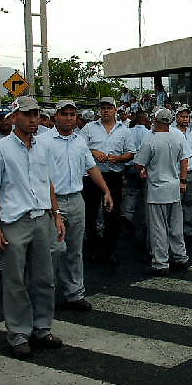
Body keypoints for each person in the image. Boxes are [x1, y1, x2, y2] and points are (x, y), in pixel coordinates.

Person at [0, 96, 66, 359]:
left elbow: (48, 182)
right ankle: (18, 334)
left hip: (42, 218)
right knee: (15, 280)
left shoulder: (43, 148)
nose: (33, 120)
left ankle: (42, 328)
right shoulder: (1, 149)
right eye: (27, 115)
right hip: (15, 221)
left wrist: (57, 214)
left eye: (36, 115)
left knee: (44, 278)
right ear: (15, 117)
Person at [39, 100, 114, 312]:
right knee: (54, 250)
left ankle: (74, 294)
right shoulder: (43, 141)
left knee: (75, 249)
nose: (70, 118)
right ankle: (46, 295)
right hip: (53, 202)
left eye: (73, 114)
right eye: (65, 114)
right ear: (56, 116)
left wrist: (106, 191)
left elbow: (91, 168)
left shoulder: (80, 141)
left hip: (76, 199)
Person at [134, 108, 190, 276]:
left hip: (157, 189)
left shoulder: (150, 140)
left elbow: (139, 163)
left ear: (156, 121)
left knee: (158, 227)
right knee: (176, 225)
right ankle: (180, 257)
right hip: (174, 187)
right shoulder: (178, 137)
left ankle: (160, 262)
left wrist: (144, 170)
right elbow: (184, 160)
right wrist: (183, 180)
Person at [80, 97, 135, 264]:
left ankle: (110, 249)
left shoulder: (124, 130)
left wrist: (117, 159)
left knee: (113, 214)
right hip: (92, 177)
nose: (106, 110)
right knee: (91, 213)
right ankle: (94, 248)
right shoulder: (89, 128)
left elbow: (131, 153)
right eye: (103, 107)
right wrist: (94, 152)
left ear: (115, 110)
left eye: (109, 108)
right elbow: (79, 148)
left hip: (114, 176)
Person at [172, 106, 192, 242]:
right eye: (182, 116)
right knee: (177, 204)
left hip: (191, 172)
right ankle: (176, 233)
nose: (185, 119)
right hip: (177, 174)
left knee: (190, 203)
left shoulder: (190, 133)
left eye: (187, 117)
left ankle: (188, 231)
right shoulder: (172, 132)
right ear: (177, 117)